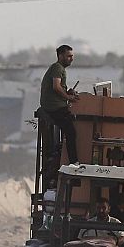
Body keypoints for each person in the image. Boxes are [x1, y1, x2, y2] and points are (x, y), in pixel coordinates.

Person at [38, 44, 81, 176]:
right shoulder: (57, 68)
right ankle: (74, 162)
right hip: (54, 107)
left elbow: (58, 88)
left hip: (56, 104)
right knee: (71, 132)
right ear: (60, 56)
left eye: (72, 56)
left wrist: (68, 92)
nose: (71, 59)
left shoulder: (59, 69)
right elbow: (56, 87)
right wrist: (68, 97)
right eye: (69, 56)